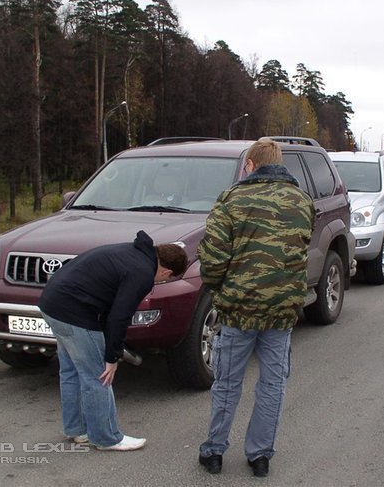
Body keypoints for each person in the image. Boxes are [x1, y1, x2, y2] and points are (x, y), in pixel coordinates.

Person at [197, 138, 314, 477]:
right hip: (281, 311)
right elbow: (301, 248)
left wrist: (220, 291)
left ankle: (214, 451)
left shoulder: (232, 199)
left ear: (250, 165)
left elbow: (213, 258)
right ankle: (260, 456)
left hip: (239, 309)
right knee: (272, 384)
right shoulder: (302, 201)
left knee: (227, 382)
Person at [39, 231, 187, 451]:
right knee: (99, 376)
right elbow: (120, 316)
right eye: (167, 279)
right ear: (166, 271)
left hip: (51, 302)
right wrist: (112, 358)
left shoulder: (132, 251)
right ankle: (106, 438)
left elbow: (110, 308)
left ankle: (77, 429)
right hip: (74, 312)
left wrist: (109, 346)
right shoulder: (142, 273)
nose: (162, 281)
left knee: (71, 371)